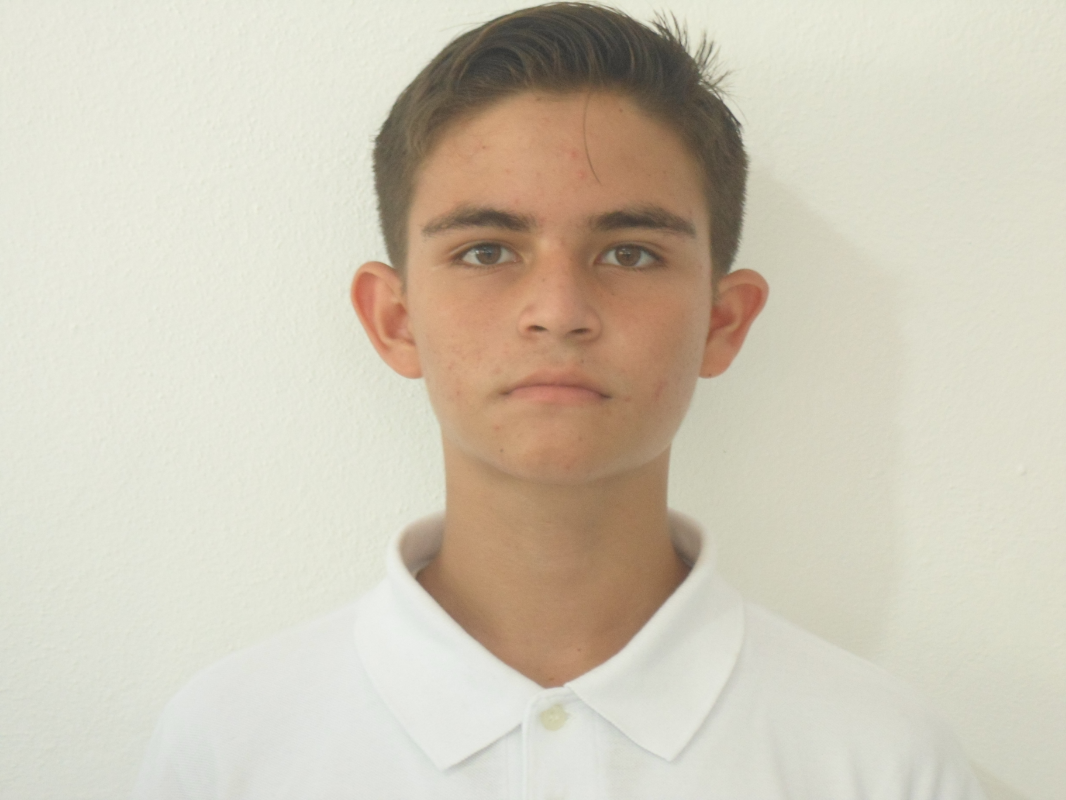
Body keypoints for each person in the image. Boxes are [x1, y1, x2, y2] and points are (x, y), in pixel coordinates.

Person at [133, 4, 986, 797]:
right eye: (486, 251)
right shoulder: (230, 747)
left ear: (723, 323)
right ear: (394, 320)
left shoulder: (883, 759)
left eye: (630, 253)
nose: (559, 311)